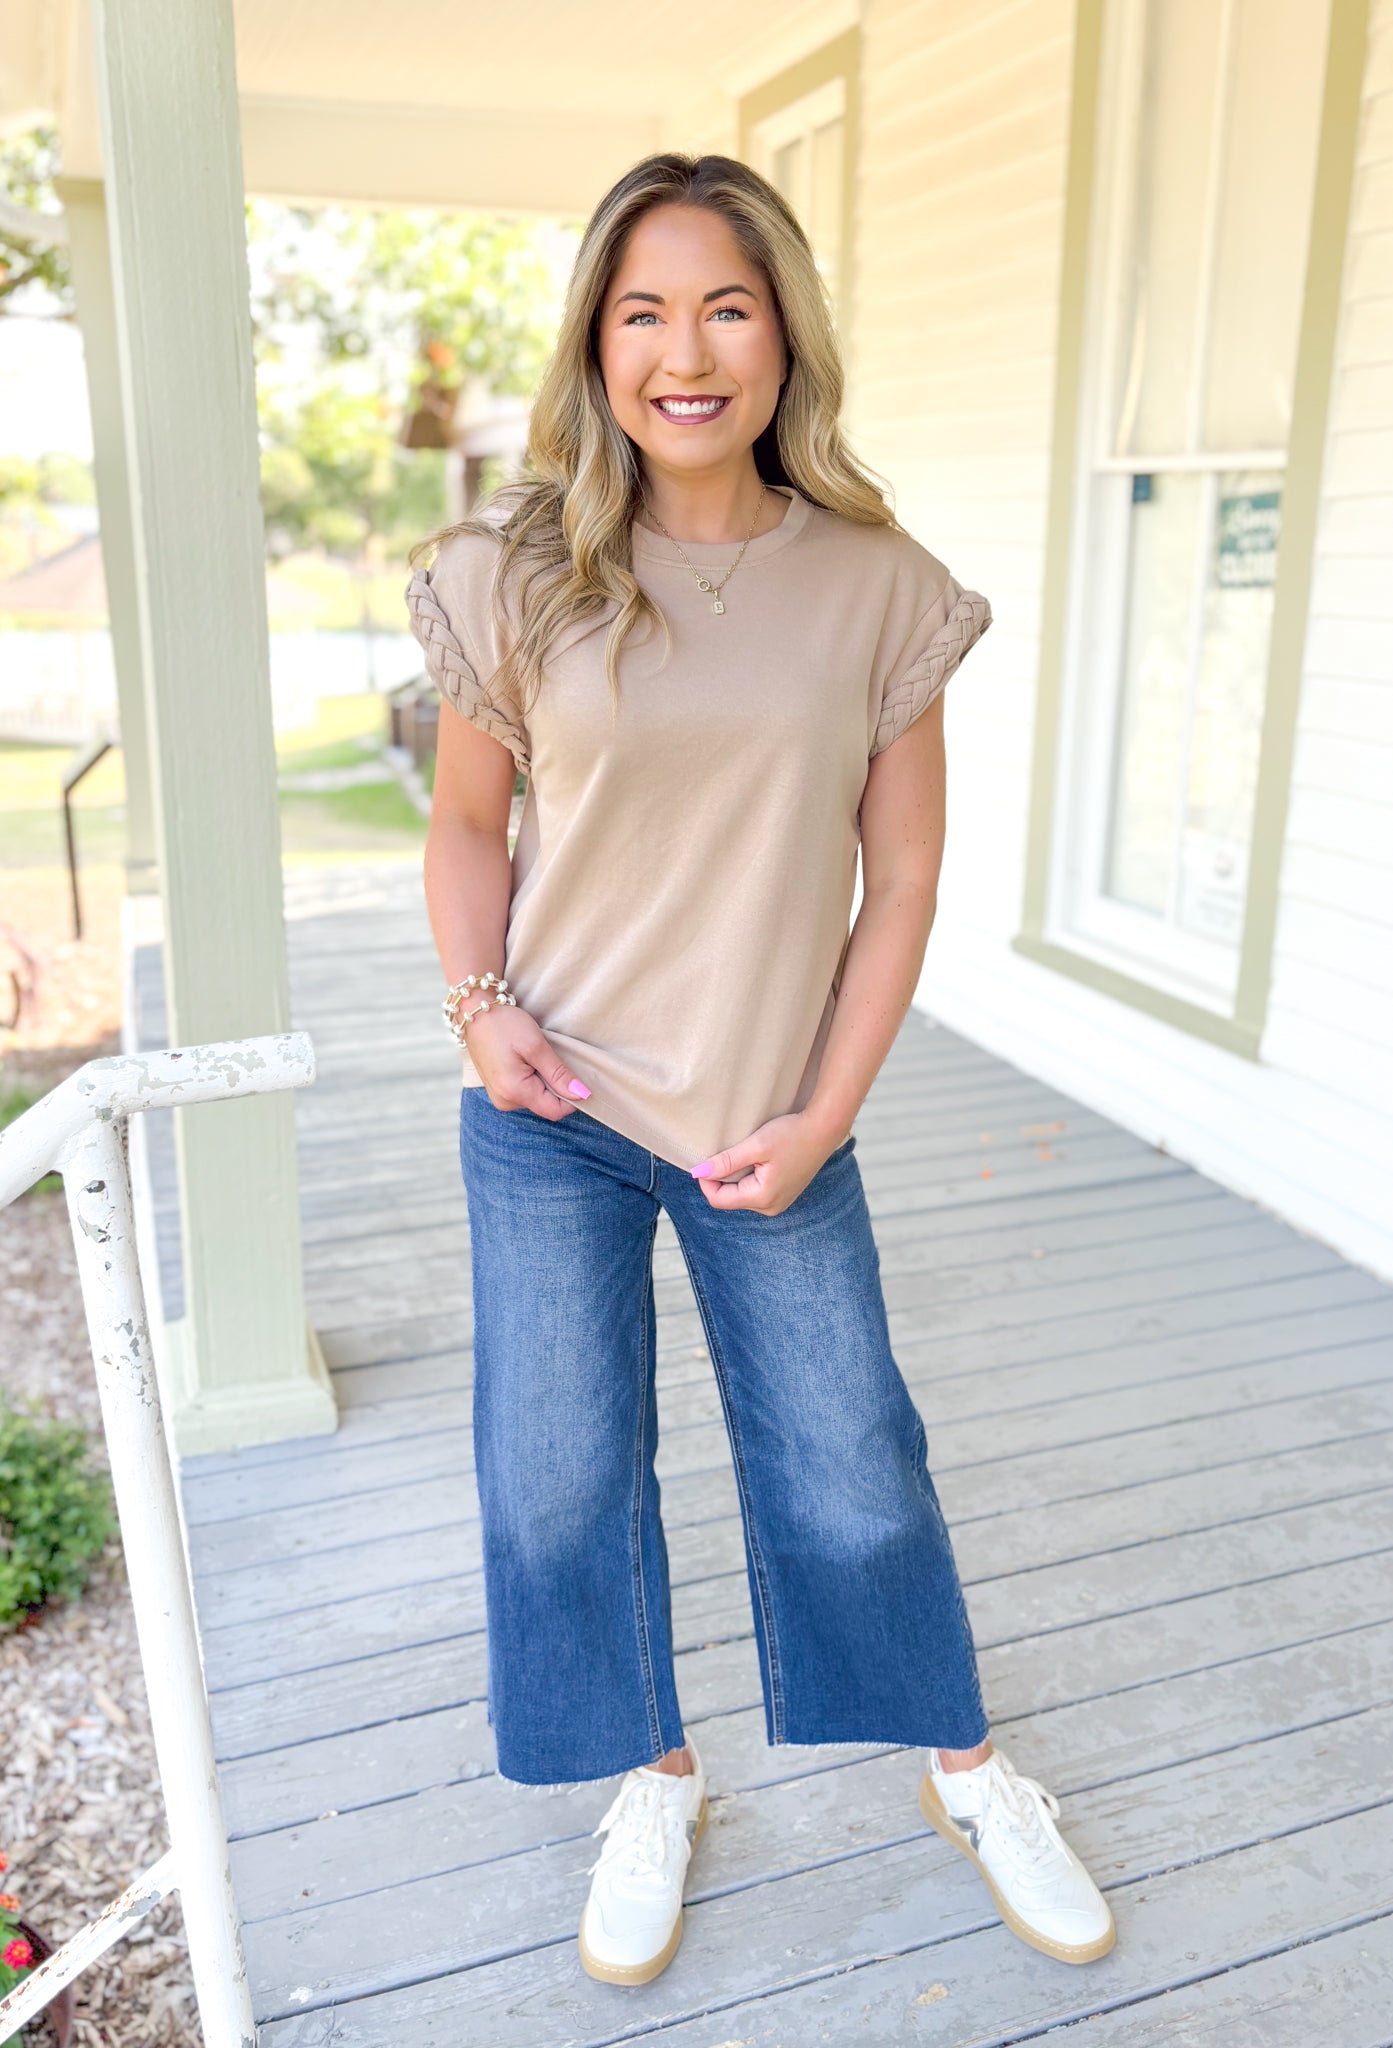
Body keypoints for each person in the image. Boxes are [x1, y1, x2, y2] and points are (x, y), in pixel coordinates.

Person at [405, 151, 1115, 1989]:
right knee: (555, 1478)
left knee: (854, 1466)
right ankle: (654, 1778)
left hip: (769, 1119)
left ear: (783, 332)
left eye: (725, 304)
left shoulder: (879, 587)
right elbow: (468, 828)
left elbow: (909, 880)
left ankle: (965, 1771)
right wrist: (482, 1008)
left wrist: (827, 1114)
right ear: (597, 343)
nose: (686, 350)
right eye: (643, 310)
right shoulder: (512, 571)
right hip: (551, 1115)